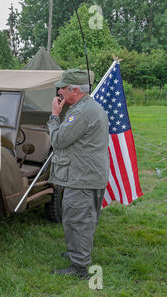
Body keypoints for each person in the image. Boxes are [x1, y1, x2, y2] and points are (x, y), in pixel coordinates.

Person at [47, 69, 109, 279]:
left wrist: (55, 115)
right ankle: (77, 253)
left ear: (74, 90)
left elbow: (58, 140)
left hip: (83, 177)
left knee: (78, 220)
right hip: (88, 174)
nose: (61, 92)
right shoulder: (87, 107)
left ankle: (80, 267)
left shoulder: (81, 113)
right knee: (81, 218)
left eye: (63, 88)